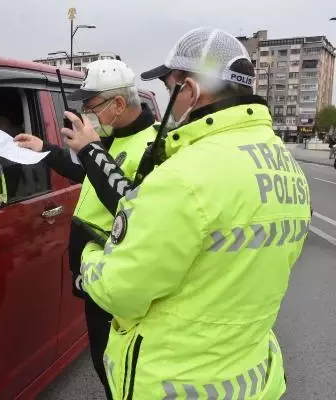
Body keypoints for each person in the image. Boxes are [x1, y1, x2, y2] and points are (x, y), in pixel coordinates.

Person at [63, 28, 312, 399]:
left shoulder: (184, 176)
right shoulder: (287, 168)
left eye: (170, 89)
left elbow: (119, 292)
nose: (169, 104)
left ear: (191, 91)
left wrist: (87, 255)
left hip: (177, 382)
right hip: (252, 378)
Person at [15, 59, 158, 399]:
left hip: (122, 289)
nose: (85, 115)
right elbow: (90, 176)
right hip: (98, 285)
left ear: (118, 104)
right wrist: (46, 150)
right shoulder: (115, 141)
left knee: (123, 374)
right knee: (104, 364)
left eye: (91, 107)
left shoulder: (155, 147)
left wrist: (91, 149)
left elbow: (134, 210)